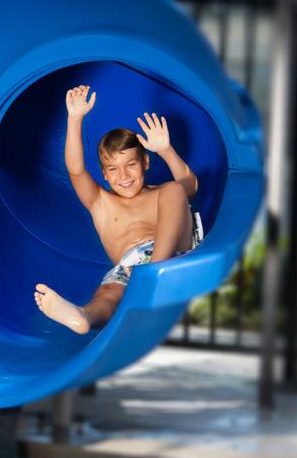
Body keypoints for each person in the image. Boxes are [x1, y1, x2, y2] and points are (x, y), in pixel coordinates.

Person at [34, 84, 202, 334]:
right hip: (129, 270)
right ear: (104, 174)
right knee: (109, 293)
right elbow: (76, 169)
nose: (123, 175)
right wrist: (75, 118)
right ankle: (83, 316)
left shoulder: (162, 194)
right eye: (113, 169)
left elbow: (190, 185)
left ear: (145, 162)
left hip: (171, 259)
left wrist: (166, 150)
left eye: (130, 165)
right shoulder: (101, 202)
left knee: (174, 189)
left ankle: (153, 277)